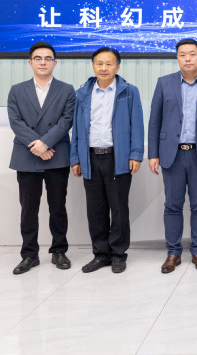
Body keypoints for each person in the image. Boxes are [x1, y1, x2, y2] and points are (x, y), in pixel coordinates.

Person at [148, 39, 197, 273]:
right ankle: (173, 252)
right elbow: (154, 120)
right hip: (172, 154)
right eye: (183, 55)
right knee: (172, 205)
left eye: (192, 54)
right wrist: (153, 154)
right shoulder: (164, 83)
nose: (188, 58)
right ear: (177, 58)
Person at [70, 47, 144, 274]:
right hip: (90, 157)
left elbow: (137, 125)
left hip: (117, 157)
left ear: (117, 67)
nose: (104, 68)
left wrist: (136, 154)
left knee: (119, 208)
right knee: (96, 209)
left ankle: (118, 254)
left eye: (109, 64)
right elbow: (76, 128)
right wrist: (75, 157)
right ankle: (101, 254)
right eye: (99, 63)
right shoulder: (82, 93)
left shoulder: (129, 92)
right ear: (93, 66)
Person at [7, 42, 75, 275]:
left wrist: (46, 143)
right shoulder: (17, 90)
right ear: (30, 63)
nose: (43, 62)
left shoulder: (67, 90)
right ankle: (29, 254)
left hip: (56, 154)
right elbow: (16, 122)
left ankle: (59, 251)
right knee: (28, 209)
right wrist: (37, 145)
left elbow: (66, 120)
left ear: (55, 63)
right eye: (38, 58)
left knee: (58, 207)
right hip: (27, 156)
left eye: (48, 58)